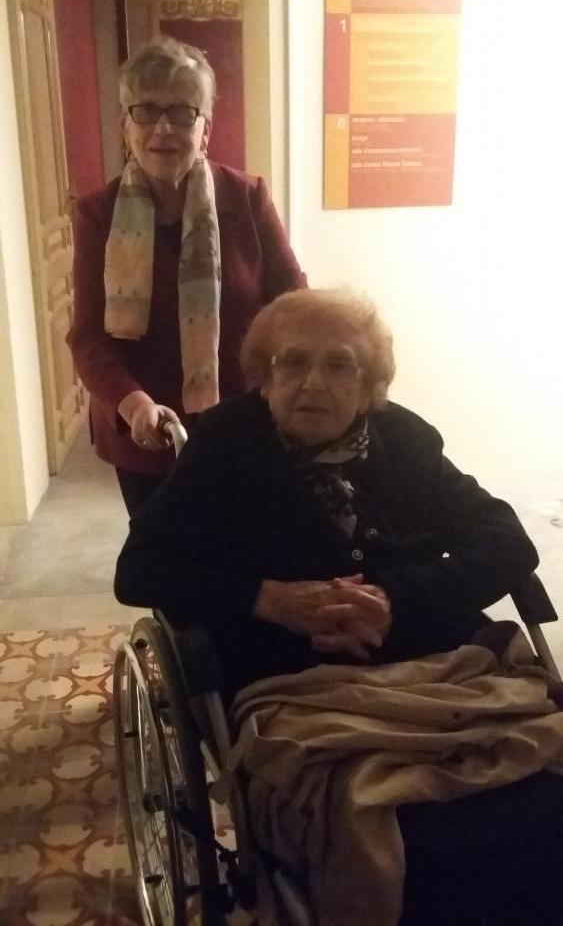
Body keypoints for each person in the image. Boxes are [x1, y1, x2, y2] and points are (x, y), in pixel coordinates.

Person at [114, 288, 563, 926]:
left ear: (369, 383)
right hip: (298, 685)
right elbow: (139, 569)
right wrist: (266, 598)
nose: (313, 384)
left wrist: (395, 600)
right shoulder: (221, 447)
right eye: (293, 362)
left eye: (339, 365)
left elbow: (506, 540)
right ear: (265, 376)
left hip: (442, 668)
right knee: (383, 833)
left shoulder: (404, 439)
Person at [66, 36, 305, 515]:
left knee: (246, 544)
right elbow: (90, 337)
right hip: (145, 432)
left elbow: (293, 304)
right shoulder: (97, 214)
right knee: (165, 552)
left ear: (206, 128)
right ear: (126, 127)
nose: (163, 128)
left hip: (241, 423)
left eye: (182, 112)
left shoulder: (248, 198)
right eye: (146, 110)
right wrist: (133, 404)